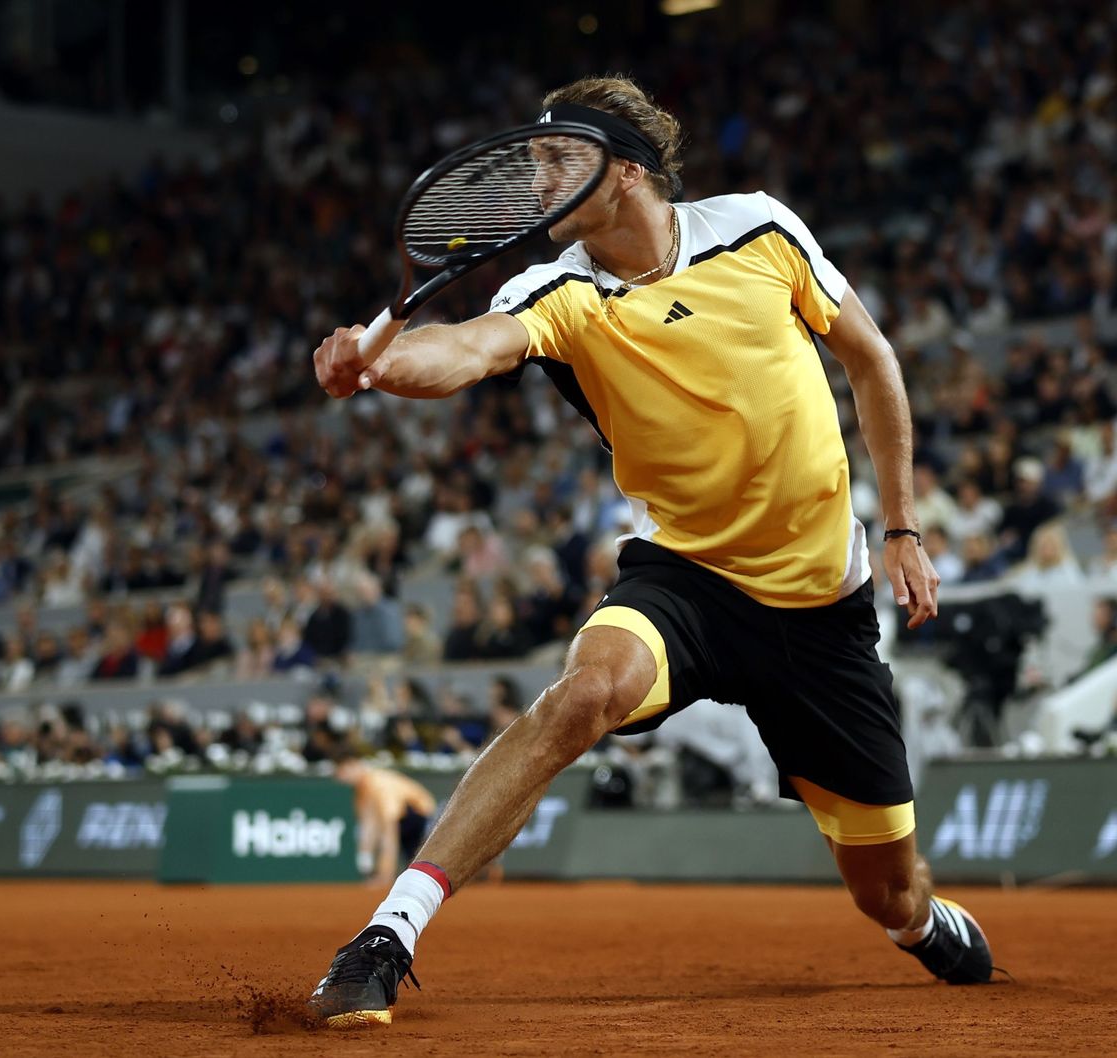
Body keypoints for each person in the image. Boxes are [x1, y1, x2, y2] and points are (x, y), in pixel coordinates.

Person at [307, 76, 993, 1028]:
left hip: (820, 613)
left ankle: (919, 925)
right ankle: (386, 936)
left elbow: (871, 361)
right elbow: (465, 349)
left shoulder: (758, 229)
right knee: (582, 692)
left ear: (626, 169)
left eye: (558, 163)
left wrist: (905, 525)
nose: (534, 185)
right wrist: (379, 363)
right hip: (688, 580)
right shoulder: (556, 290)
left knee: (888, 890)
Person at [334, 753, 439, 887]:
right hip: (404, 820)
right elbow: (367, 827)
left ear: (353, 764)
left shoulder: (379, 785)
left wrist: (385, 875)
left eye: (342, 771)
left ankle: (385, 876)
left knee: (419, 871)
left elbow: (389, 831)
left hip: (420, 817)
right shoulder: (361, 790)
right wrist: (365, 862)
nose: (340, 777)